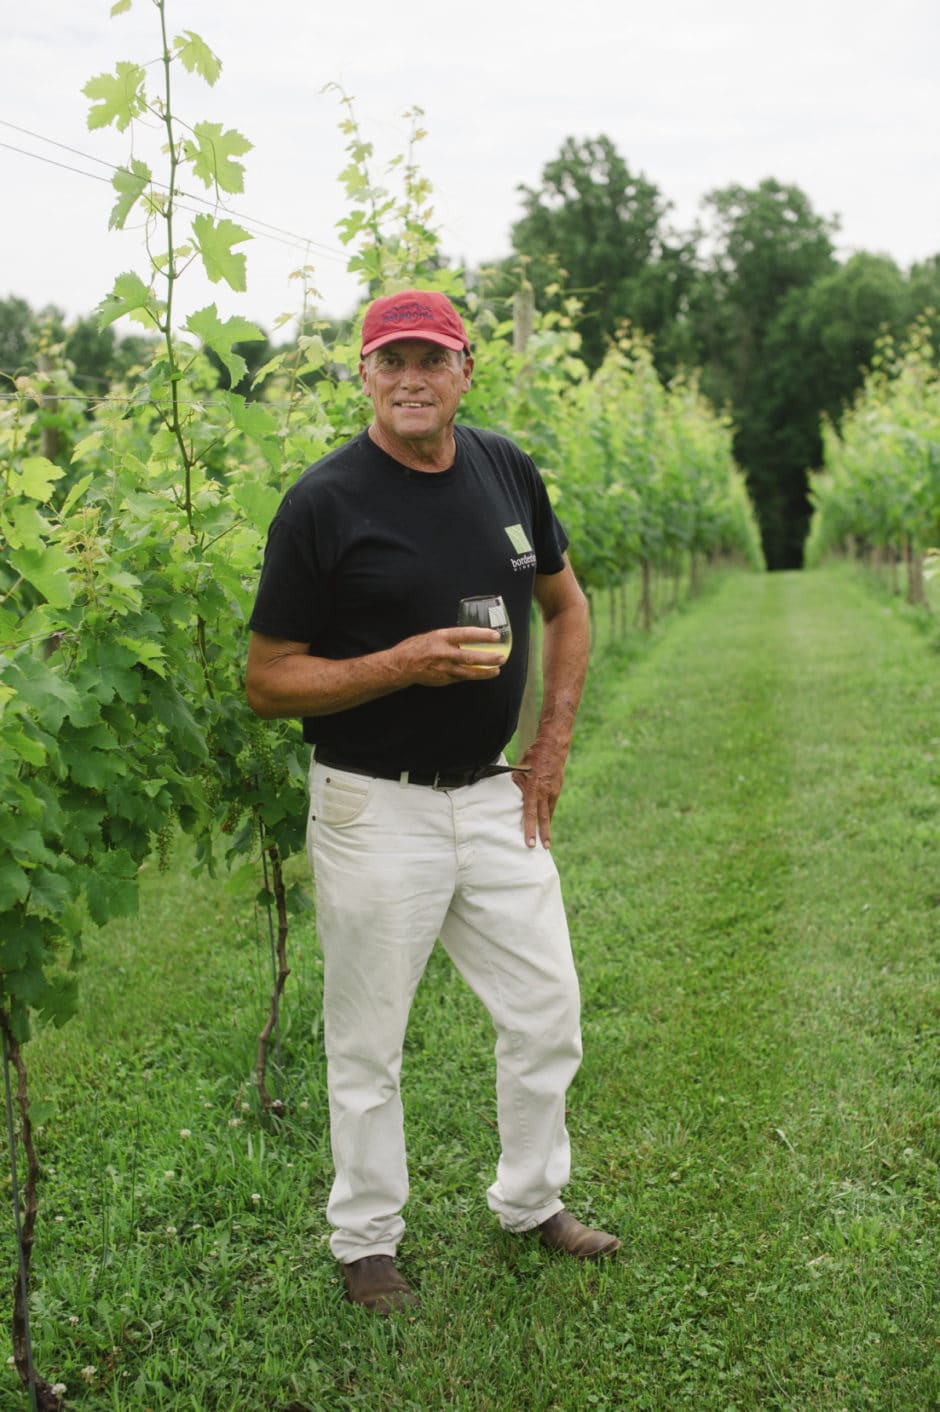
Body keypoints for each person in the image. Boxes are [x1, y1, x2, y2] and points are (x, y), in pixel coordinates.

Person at [245, 288, 620, 1315]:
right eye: (388, 359)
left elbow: (566, 600)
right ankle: (366, 1240)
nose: (410, 376)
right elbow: (268, 679)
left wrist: (548, 744)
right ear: (362, 375)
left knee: (546, 1010)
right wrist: (402, 661)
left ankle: (531, 1198)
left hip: (495, 796)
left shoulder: (503, 467)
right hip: (376, 809)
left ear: (464, 371)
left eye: (431, 358)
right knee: (368, 1038)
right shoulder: (323, 502)